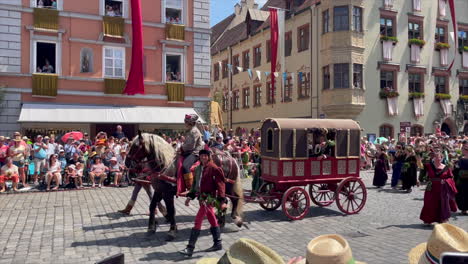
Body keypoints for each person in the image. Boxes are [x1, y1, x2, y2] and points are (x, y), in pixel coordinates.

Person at [179, 149, 227, 257]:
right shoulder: (197, 169)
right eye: (202, 156)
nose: (204, 157)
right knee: (212, 218)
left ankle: (190, 248)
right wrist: (189, 197)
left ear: (209, 156)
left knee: (198, 221)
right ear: (199, 157)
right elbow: (195, 185)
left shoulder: (214, 168)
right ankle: (218, 243)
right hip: (201, 198)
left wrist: (222, 200)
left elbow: (221, 184)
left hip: (208, 199)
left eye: (206, 155)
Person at [420, 151, 458, 224]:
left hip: (442, 188)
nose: (437, 158)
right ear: (433, 158)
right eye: (436, 157)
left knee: (442, 203)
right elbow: (420, 165)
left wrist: (446, 181)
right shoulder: (429, 166)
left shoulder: (446, 168)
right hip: (431, 188)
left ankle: (442, 219)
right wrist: (418, 155)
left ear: (442, 158)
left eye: (439, 157)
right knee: (429, 202)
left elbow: (451, 178)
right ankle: (428, 219)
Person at [179, 114, 205, 193]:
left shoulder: (194, 131)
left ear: (190, 123)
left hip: (195, 152)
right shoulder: (190, 130)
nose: (185, 123)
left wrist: (181, 148)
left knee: (185, 165)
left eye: (186, 122)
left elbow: (190, 145)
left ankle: (190, 188)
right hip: (189, 151)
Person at [454, 141, 468, 215]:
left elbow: (457, 168)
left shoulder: (461, 159)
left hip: (464, 180)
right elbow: (457, 168)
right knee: (464, 194)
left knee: (463, 194)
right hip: (463, 180)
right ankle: (464, 209)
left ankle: (464, 209)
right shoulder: (460, 158)